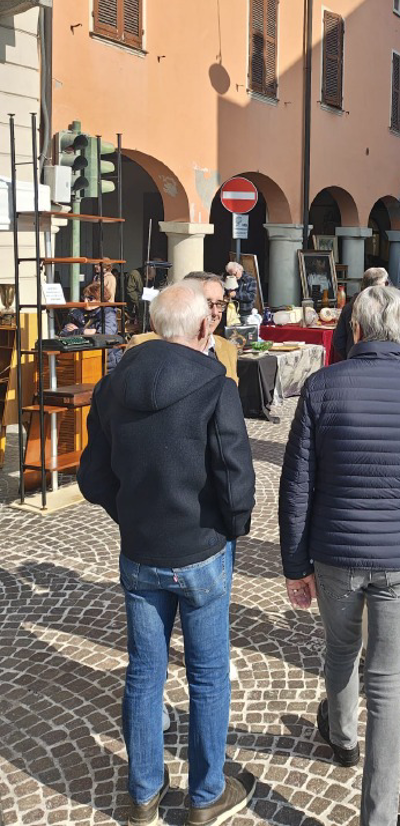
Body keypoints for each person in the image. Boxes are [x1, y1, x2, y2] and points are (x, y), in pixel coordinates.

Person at [279, 284, 400, 826]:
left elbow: (296, 485)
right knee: (384, 677)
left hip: (336, 550)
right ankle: (379, 816)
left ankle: (342, 738)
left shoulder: (322, 385)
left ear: (355, 329)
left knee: (340, 649)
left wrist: (295, 565)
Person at [77, 281, 257, 826]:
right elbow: (234, 477)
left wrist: (130, 514)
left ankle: (143, 794)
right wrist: (233, 530)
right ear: (204, 326)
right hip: (201, 548)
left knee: (144, 673)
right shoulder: (216, 384)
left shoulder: (112, 386)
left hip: (142, 549)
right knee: (207, 676)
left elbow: (93, 477)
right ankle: (205, 795)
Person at [127, 271, 239, 383]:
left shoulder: (228, 349)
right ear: (185, 304)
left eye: (219, 304)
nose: (215, 312)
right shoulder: (143, 346)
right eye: (207, 303)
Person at [333, 267, 389, 361]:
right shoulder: (386, 308)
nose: (387, 286)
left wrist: (349, 355)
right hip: (380, 359)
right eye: (385, 283)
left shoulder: (349, 307)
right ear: (377, 286)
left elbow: (338, 341)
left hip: (355, 357)